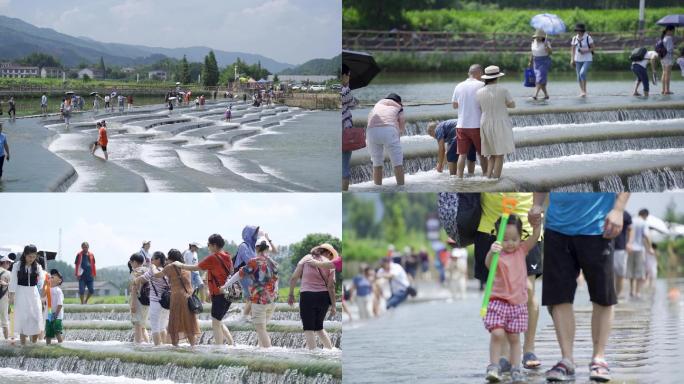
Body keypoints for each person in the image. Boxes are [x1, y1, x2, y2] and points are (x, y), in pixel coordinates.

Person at [533, 192, 630, 382]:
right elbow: (543, 175)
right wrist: (536, 203)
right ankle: (566, 360)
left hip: (598, 226)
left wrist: (618, 209)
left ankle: (599, 358)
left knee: (603, 296)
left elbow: (625, 173)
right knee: (558, 297)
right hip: (556, 226)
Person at [467, 193, 544, 371]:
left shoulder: (523, 245)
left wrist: (537, 219)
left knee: (528, 289)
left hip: (524, 223)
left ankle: (529, 349)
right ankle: (504, 356)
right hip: (490, 224)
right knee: (498, 290)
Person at [483, 214, 541, 383]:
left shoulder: (521, 250)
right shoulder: (497, 253)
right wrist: (491, 252)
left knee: (514, 337)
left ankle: (516, 367)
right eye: (506, 239)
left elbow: (535, 237)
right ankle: (493, 366)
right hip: (497, 301)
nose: (510, 243)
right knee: (497, 333)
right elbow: (488, 264)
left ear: (520, 237)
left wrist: (537, 224)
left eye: (514, 239)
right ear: (499, 238)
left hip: (516, 304)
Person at [173, 234, 234, 345]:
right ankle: (231, 343)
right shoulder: (227, 256)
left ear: (214, 245)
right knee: (218, 320)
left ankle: (219, 347)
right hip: (228, 293)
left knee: (215, 323)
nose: (208, 247)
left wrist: (180, 265)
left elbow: (196, 267)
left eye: (208, 244)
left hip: (219, 294)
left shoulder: (213, 257)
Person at [223, 239, 279, 348]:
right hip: (272, 301)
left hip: (259, 300)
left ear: (256, 248)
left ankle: (270, 354)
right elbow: (276, 281)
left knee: (261, 330)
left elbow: (239, 274)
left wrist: (225, 286)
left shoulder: (254, 261)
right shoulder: (273, 263)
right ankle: (261, 352)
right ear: (267, 248)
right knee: (262, 329)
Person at [288, 244, 337, 350]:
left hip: (307, 296)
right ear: (328, 252)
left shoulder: (306, 258)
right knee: (319, 327)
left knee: (309, 329)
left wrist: (291, 294)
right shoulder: (330, 264)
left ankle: (313, 355)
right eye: (331, 255)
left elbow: (294, 277)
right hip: (323, 297)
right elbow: (331, 286)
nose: (331, 257)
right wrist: (333, 305)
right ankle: (331, 351)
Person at [476, 66, 515, 179]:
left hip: (485, 122)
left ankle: (489, 178)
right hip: (500, 122)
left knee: (491, 153)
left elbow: (479, 107)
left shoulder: (479, 92)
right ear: (497, 77)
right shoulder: (503, 90)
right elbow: (512, 104)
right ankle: (496, 179)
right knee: (499, 154)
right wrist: (504, 104)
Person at [155, 249, 200, 346]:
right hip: (188, 297)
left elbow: (157, 275)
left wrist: (153, 266)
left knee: (174, 323)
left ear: (171, 258)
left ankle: (175, 347)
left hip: (176, 298)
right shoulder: (186, 266)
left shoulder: (170, 267)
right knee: (189, 323)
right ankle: (193, 347)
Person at [451, 64, 488, 178]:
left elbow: (454, 105)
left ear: (469, 73)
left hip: (461, 125)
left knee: (462, 154)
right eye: (481, 74)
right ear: (479, 73)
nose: (482, 76)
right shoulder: (482, 85)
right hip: (476, 125)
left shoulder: (459, 85)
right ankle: (486, 176)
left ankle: (459, 178)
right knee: (482, 154)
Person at [366, 93, 406, 186]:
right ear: (399, 102)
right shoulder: (399, 107)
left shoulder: (377, 105)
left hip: (371, 131)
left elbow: (369, 119)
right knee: (397, 163)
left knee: (376, 163)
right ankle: (401, 189)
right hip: (389, 130)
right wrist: (399, 134)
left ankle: (377, 188)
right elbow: (402, 124)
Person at [8, 245, 44, 345]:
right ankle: (23, 344)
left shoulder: (37, 266)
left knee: (36, 317)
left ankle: (33, 344)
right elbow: (13, 281)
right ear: (25, 255)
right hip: (21, 293)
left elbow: (41, 280)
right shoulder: (17, 265)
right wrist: (11, 295)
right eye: (29, 256)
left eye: (33, 257)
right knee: (22, 318)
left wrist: (43, 292)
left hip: (33, 293)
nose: (31, 259)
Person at [137, 251, 169, 346]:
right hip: (166, 303)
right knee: (162, 327)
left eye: (152, 259)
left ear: (158, 260)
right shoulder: (167, 270)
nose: (151, 261)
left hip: (156, 302)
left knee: (155, 328)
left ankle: (158, 350)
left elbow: (143, 279)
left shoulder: (153, 270)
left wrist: (135, 280)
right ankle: (166, 347)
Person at [233, 226, 263, 323]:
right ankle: (244, 317)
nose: (256, 235)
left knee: (251, 296)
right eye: (254, 233)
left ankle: (249, 316)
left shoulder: (252, 246)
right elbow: (248, 261)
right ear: (248, 234)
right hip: (245, 274)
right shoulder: (244, 246)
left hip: (251, 274)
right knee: (253, 295)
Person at [626, 209, 653, 299]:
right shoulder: (643, 222)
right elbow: (646, 235)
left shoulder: (632, 220)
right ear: (645, 215)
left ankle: (631, 291)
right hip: (639, 249)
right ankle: (637, 292)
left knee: (630, 270)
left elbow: (628, 232)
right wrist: (650, 247)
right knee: (639, 271)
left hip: (630, 248)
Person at [128, 253, 149, 344]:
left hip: (138, 301)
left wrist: (132, 304)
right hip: (147, 301)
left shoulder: (136, 272)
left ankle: (138, 346)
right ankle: (148, 345)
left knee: (137, 324)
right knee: (143, 326)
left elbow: (134, 288)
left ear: (135, 262)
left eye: (131, 262)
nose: (131, 264)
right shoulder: (147, 270)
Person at [613, 211, 632, 300]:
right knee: (608, 273)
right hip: (605, 246)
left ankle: (619, 294)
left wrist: (629, 243)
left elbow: (630, 229)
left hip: (620, 247)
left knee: (620, 273)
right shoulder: (603, 209)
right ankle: (611, 294)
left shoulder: (625, 214)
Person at [570, 23, 594, 97]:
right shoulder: (574, 38)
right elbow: (573, 49)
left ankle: (584, 91)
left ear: (583, 30)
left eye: (580, 30)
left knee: (582, 73)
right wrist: (572, 59)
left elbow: (593, 48)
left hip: (587, 58)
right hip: (577, 59)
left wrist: (585, 51)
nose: (578, 32)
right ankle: (582, 91)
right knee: (578, 76)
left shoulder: (588, 37)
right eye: (577, 30)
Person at [341, 63, 355, 191]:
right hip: (345, 132)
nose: (349, 78)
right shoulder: (345, 91)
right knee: (344, 168)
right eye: (349, 75)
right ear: (344, 75)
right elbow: (353, 103)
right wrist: (347, 86)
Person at [529, 29, 552, 100]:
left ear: (543, 37)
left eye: (540, 36)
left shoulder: (546, 42)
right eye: (537, 36)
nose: (538, 38)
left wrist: (546, 47)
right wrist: (530, 61)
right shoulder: (533, 42)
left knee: (539, 78)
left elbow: (550, 52)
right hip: (536, 62)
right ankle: (546, 95)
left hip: (544, 61)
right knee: (541, 80)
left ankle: (535, 94)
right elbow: (532, 52)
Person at [45, 269, 64, 345]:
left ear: (59, 281)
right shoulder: (47, 289)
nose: (52, 277)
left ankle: (61, 345)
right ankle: (48, 346)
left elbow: (60, 304)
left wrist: (55, 315)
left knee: (57, 331)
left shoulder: (58, 291)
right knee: (48, 333)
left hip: (57, 315)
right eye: (51, 276)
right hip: (48, 315)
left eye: (55, 276)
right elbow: (44, 300)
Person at [660, 25, 675, 95]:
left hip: (662, 58)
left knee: (664, 73)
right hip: (668, 58)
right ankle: (667, 90)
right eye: (673, 31)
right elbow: (670, 49)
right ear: (669, 31)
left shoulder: (663, 38)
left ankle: (663, 90)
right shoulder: (669, 38)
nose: (673, 33)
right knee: (668, 74)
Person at [0, 255, 12, 340]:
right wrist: (6, 284)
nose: (9, 265)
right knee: (4, 321)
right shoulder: (8, 273)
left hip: (4, 298)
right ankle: (6, 340)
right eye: (9, 263)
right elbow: (13, 287)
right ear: (4, 262)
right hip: (3, 298)